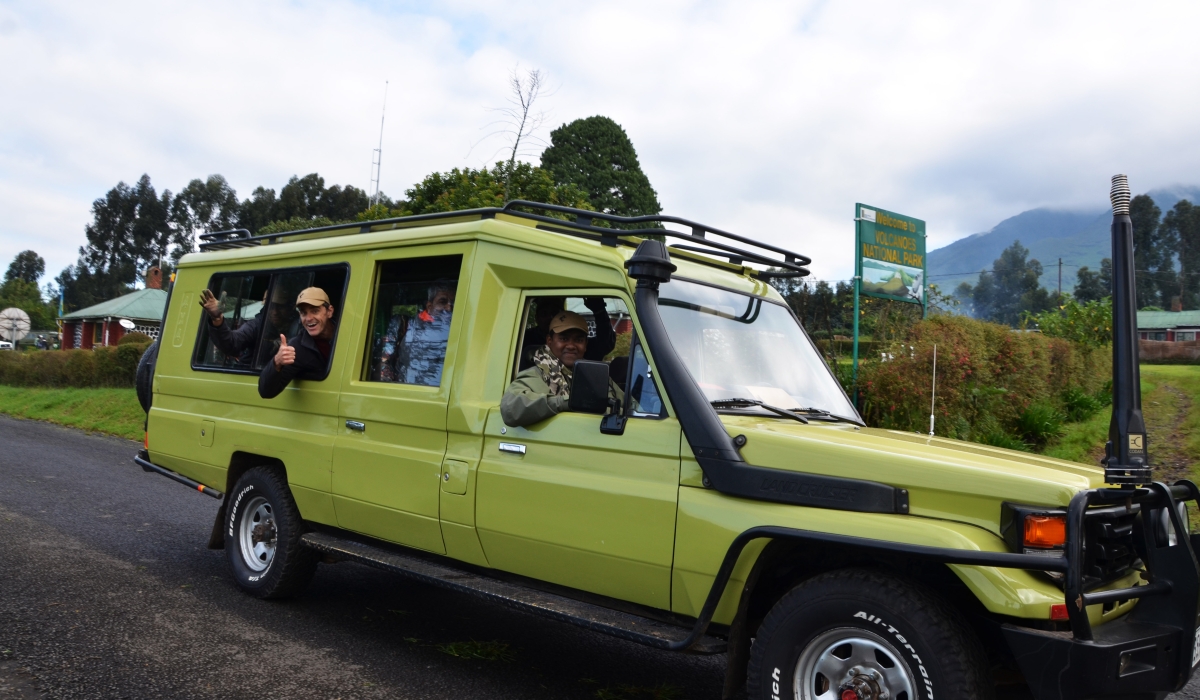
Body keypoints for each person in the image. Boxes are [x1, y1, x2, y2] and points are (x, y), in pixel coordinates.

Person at [501, 310, 622, 427]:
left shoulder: (596, 376)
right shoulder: (537, 375)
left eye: (578, 340)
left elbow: (632, 407)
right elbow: (510, 409)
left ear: (585, 345)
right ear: (549, 341)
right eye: (564, 339)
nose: (571, 346)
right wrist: (566, 402)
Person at [258, 287, 336, 399]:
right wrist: (277, 362)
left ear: (329, 312)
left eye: (315, 311)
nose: (308, 318)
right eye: (303, 313)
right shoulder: (297, 348)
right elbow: (266, 392)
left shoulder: (348, 330)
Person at [518, 297, 615, 370]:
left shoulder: (579, 348)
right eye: (544, 314)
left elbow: (605, 344)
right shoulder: (524, 339)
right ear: (549, 341)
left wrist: (599, 311)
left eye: (555, 313)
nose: (570, 346)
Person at [394, 283, 455, 385]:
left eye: (453, 302)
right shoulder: (414, 333)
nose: (449, 308)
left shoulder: (460, 329)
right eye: (443, 302)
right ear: (430, 306)